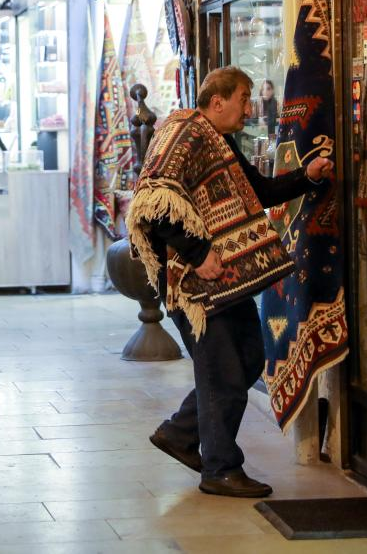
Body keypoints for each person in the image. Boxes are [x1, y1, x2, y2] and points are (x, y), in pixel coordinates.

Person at [126, 66, 334, 498]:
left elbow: (256, 190)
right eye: (243, 97)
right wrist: (198, 254)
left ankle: (180, 434)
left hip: (226, 280)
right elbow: (153, 199)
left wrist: (307, 177)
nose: (249, 107)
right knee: (223, 368)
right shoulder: (183, 131)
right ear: (216, 100)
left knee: (247, 356)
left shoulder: (218, 139)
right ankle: (221, 468)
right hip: (194, 285)